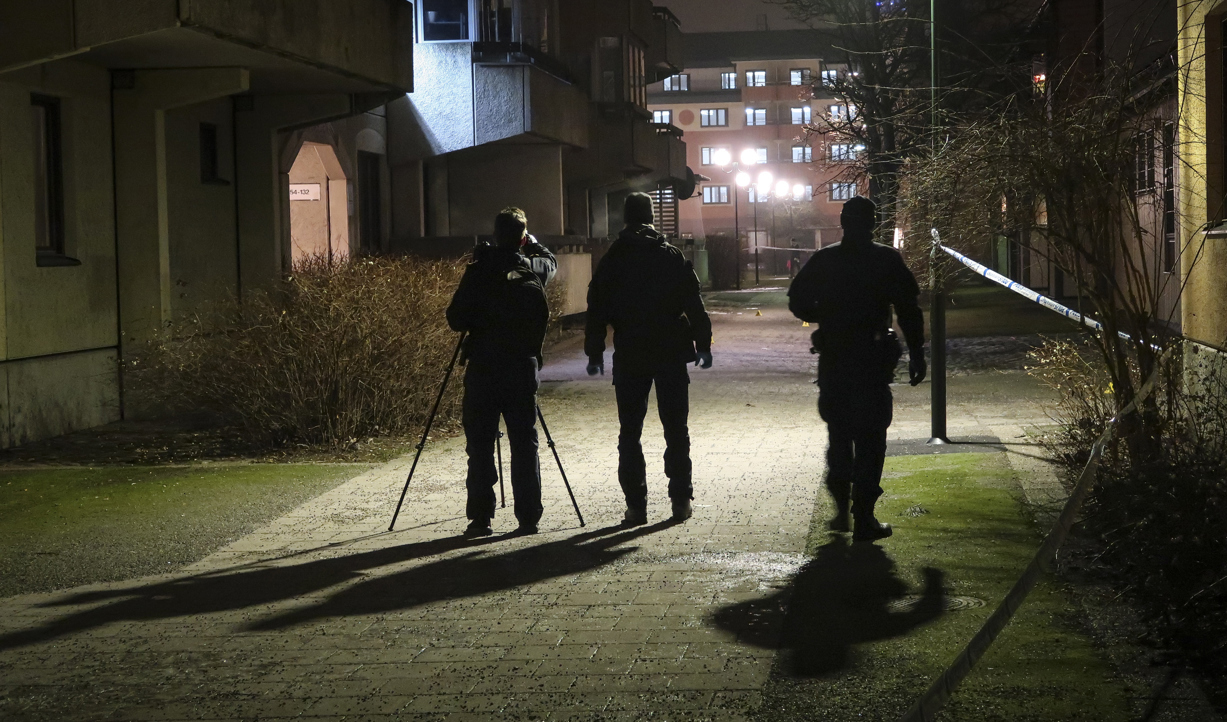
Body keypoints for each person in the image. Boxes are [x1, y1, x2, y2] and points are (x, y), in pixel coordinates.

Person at [787, 196, 926, 542]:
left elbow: (797, 299)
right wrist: (918, 353)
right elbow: (908, 307)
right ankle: (864, 516)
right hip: (871, 359)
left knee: (839, 434)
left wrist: (824, 317)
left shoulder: (825, 259)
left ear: (843, 222)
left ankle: (841, 509)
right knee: (870, 438)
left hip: (836, 357)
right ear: (873, 223)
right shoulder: (885, 260)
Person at [585, 192, 713, 526]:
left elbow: (596, 306)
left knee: (630, 431)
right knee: (676, 428)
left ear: (626, 218)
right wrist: (703, 343)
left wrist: (595, 351)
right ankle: (680, 500)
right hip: (669, 351)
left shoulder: (614, 258)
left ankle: (636, 506)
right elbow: (692, 301)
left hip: (630, 352)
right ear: (652, 216)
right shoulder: (669, 255)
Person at [447, 208, 557, 537]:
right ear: (523, 238)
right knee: (525, 444)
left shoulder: (479, 271)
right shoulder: (532, 269)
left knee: (480, 446)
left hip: (483, 369)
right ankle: (528, 517)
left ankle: (481, 518)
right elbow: (550, 261)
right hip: (522, 369)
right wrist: (530, 245)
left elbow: (455, 318)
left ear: (495, 235)